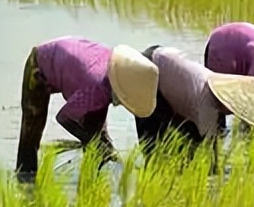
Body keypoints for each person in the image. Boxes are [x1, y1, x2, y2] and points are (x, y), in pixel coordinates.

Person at [16, 37, 160, 176]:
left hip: (74, 64)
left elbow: (99, 122)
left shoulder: (114, 75)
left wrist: (101, 142)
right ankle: (25, 183)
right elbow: (64, 118)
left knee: (98, 136)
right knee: (31, 135)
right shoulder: (94, 88)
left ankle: (91, 176)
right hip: (39, 64)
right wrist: (89, 139)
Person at [136, 46, 254, 165]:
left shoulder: (214, 83)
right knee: (152, 145)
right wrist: (215, 171)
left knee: (188, 137)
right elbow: (211, 146)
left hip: (164, 61)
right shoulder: (207, 105)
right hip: (152, 72)